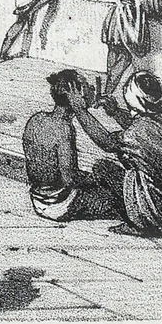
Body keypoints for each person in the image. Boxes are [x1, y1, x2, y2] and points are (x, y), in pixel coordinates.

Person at [74, 71, 162, 240]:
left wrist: (79, 110)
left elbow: (107, 142)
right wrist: (114, 112)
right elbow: (146, 124)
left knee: (103, 168)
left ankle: (139, 222)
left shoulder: (136, 133)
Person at [23, 70, 118, 222]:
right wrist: (93, 179)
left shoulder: (36, 119)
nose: (92, 90)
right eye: (88, 87)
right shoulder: (64, 128)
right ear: (76, 94)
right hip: (60, 204)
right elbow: (69, 177)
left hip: (38, 199)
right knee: (115, 200)